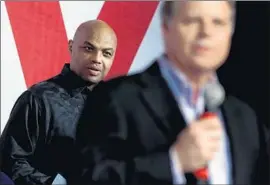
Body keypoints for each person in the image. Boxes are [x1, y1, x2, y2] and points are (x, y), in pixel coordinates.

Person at [77, 1, 269, 184]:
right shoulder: (116, 99)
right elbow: (87, 178)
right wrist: (173, 162)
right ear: (165, 27)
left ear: (230, 32)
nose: (206, 32)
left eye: (218, 22)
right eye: (192, 20)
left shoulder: (245, 118)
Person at [0, 19, 117, 184]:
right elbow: (8, 160)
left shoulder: (117, 106)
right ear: (71, 46)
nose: (97, 59)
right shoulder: (38, 99)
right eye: (89, 49)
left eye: (106, 53)